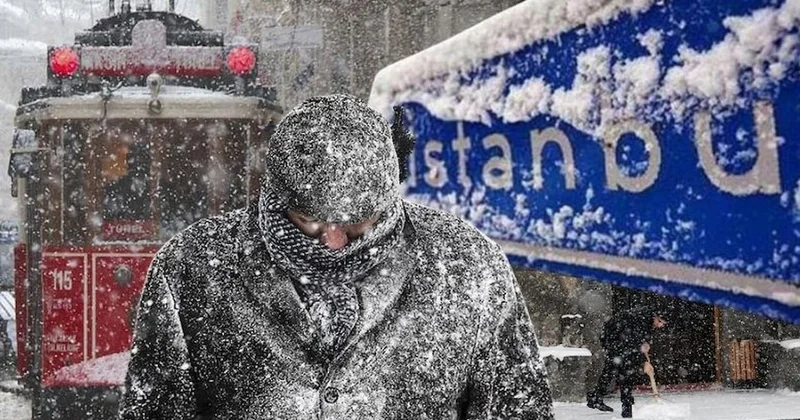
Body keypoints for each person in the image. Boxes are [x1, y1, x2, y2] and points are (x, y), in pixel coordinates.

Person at [118, 95, 554, 419]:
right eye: (309, 220)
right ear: (276, 195)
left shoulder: (468, 268)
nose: (332, 242)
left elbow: (518, 407)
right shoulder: (191, 269)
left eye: (356, 223)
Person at [587, 308, 667, 418]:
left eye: (663, 324)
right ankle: (627, 407)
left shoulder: (645, 321)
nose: (661, 325)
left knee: (611, 370)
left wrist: (644, 345)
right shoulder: (639, 321)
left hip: (616, 343)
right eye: (660, 322)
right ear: (655, 317)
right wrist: (642, 358)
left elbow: (639, 340)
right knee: (626, 372)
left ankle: (595, 397)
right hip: (616, 343)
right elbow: (632, 341)